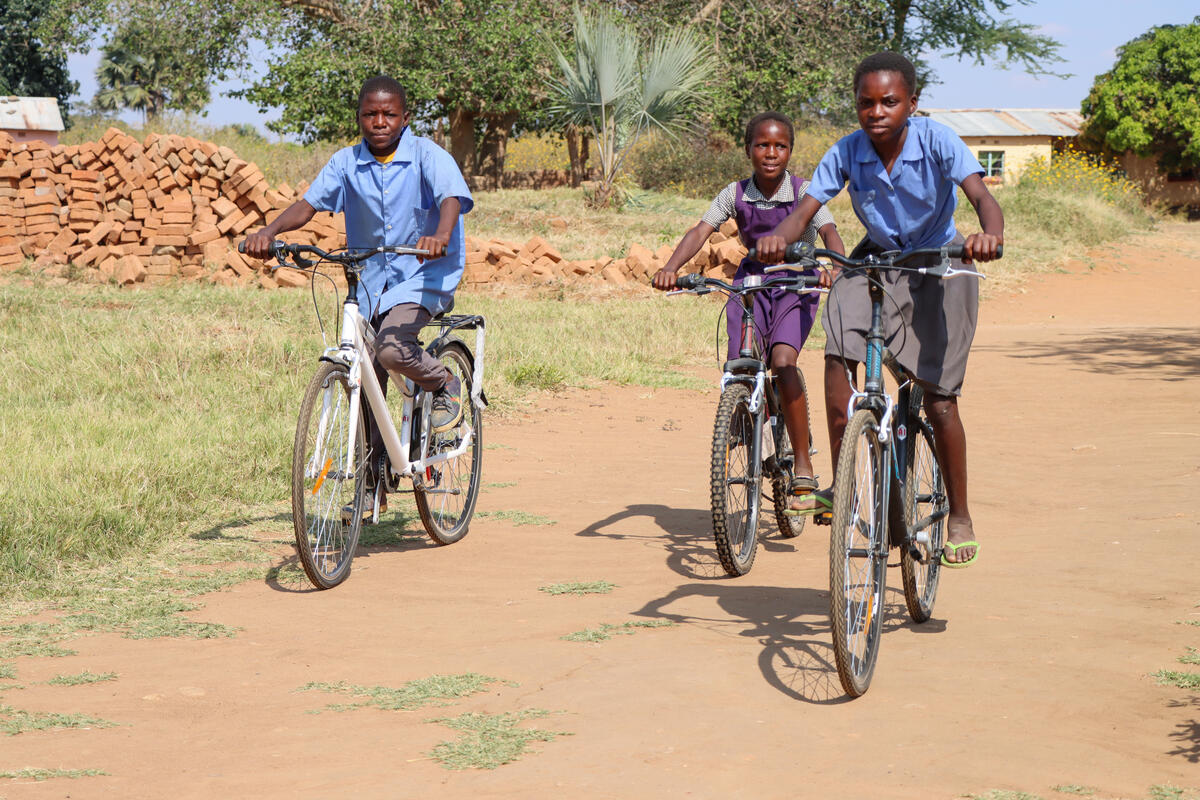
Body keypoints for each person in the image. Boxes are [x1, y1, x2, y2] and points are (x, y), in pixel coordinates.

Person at [756, 51, 1004, 568]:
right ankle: (845, 475)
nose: (876, 112)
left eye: (889, 101)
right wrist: (778, 238)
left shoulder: (937, 140)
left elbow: (982, 196)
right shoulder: (847, 152)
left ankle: (958, 513)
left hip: (942, 260)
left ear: (911, 103)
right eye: (866, 102)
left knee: (939, 401)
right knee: (837, 343)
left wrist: (989, 236)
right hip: (877, 257)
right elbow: (804, 210)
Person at [242, 74, 474, 518]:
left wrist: (441, 236)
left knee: (390, 349)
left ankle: (443, 381)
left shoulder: (427, 154)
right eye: (370, 114)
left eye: (389, 114)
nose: (380, 122)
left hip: (423, 274)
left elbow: (450, 198)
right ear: (360, 117)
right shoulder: (345, 162)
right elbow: (308, 205)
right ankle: (372, 482)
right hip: (368, 281)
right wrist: (269, 232)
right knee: (360, 371)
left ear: (405, 118)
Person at [653, 111, 845, 513]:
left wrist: (833, 267)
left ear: (790, 151)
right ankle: (743, 412)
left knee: (782, 360)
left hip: (796, 283)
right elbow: (700, 231)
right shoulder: (734, 193)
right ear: (748, 150)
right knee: (740, 362)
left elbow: (829, 233)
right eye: (762, 145)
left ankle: (804, 462)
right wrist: (672, 267)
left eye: (780, 146)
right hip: (751, 285)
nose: (771, 153)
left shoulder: (804, 191)